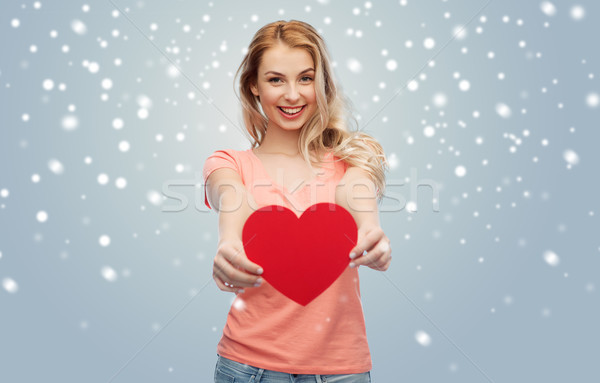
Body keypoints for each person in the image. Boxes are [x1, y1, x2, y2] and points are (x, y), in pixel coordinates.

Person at [203, 20, 392, 382]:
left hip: (342, 371)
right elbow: (231, 194)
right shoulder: (229, 162)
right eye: (276, 80)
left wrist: (370, 229)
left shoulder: (352, 158)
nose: (292, 95)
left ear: (321, 84)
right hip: (247, 369)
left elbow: (354, 190)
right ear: (253, 86)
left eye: (305, 78)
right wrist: (229, 241)